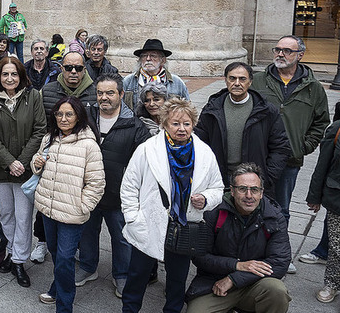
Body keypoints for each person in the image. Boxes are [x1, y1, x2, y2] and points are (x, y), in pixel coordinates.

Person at [113, 97, 225, 313]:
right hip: (150, 223)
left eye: (186, 123)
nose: (181, 128)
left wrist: (205, 198)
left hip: (183, 228)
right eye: (175, 123)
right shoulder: (147, 149)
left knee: (177, 278)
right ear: (164, 123)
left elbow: (218, 188)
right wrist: (133, 217)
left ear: (193, 124)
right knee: (138, 274)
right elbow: (129, 185)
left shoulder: (205, 153)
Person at [183, 165, 291, 313]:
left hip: (253, 284)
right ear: (231, 191)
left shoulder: (274, 216)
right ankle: (225, 310)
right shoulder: (214, 212)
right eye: (242, 189)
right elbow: (199, 257)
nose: (248, 195)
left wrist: (234, 278)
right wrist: (236, 265)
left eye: (254, 190)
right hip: (214, 281)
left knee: (278, 291)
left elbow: (279, 262)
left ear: (262, 191)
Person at [251, 35, 329, 275]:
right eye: (278, 49)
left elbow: (321, 122)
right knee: (249, 202)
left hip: (289, 159)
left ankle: (280, 254)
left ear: (300, 55)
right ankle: (250, 250)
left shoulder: (313, 88)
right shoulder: (258, 80)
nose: (280, 54)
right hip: (257, 155)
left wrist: (303, 146)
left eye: (287, 50)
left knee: (281, 208)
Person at [31, 97, 104, 313]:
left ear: (79, 116)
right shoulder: (49, 138)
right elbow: (36, 165)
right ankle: (55, 289)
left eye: (69, 115)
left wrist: (83, 206)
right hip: (49, 209)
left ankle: (65, 309)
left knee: (64, 257)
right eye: (59, 114)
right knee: (55, 253)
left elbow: (96, 183)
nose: (63, 119)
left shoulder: (88, 145)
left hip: (72, 214)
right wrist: (37, 162)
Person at [76, 73, 150, 298]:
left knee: (121, 236)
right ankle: (88, 267)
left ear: (121, 94)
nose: (104, 97)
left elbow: (143, 162)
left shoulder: (134, 125)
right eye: (100, 93)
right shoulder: (86, 119)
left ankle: (122, 274)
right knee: (87, 232)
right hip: (89, 190)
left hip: (119, 193)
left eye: (110, 93)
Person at [0, 56, 46, 288]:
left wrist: (21, 161)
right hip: (1, 167)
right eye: (5, 74)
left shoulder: (32, 97)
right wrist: (9, 161)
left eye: (14, 74)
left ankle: (20, 260)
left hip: (25, 168)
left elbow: (40, 130)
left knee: (23, 215)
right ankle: (10, 250)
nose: (9, 79)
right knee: (7, 213)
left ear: (21, 76)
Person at [194, 62, 291, 195]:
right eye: (232, 78)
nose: (237, 83)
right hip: (219, 178)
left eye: (242, 79)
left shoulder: (266, 110)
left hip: (252, 181)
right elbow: (199, 143)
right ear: (226, 80)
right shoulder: (213, 108)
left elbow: (280, 147)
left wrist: (266, 178)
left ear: (250, 82)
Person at [307, 113, 340, 305]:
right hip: (337, 199)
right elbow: (322, 165)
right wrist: (315, 196)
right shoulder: (336, 129)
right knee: (336, 246)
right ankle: (332, 283)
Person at [122, 38, 190, 109]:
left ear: (163, 60)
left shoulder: (177, 82)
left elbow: (187, 107)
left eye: (153, 56)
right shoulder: (129, 81)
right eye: (144, 56)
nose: (148, 59)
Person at [41, 51, 97, 116]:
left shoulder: (96, 93)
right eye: (68, 68)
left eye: (78, 68)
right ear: (61, 69)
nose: (73, 71)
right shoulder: (45, 92)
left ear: (84, 70)